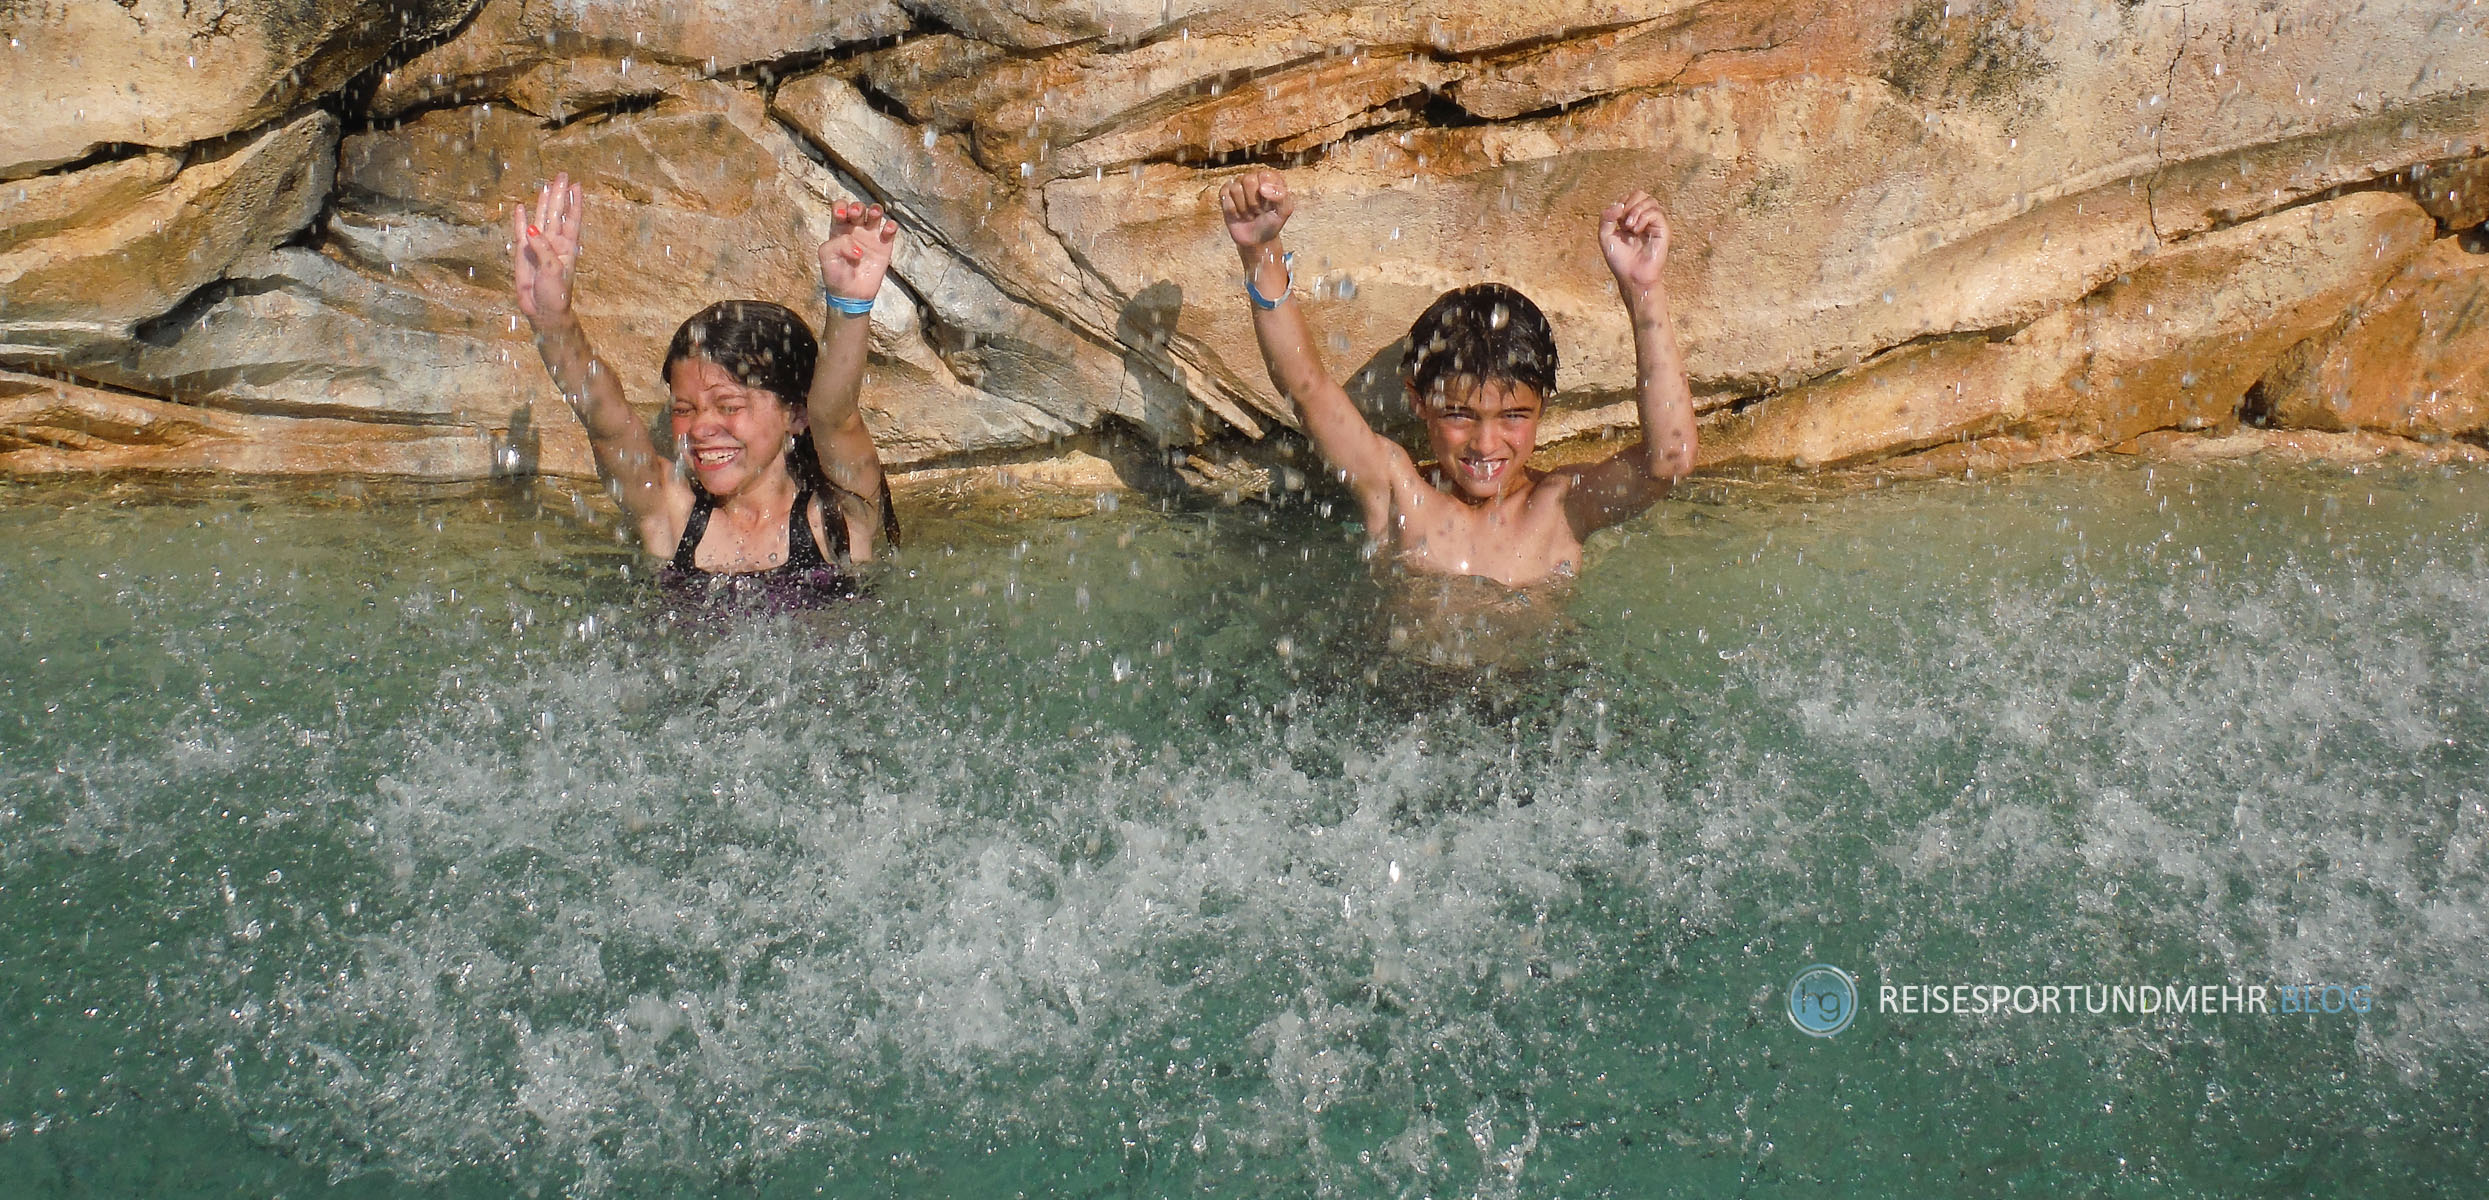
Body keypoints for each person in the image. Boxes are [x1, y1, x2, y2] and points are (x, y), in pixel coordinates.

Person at [1216, 168, 1697, 595]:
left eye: (1512, 416)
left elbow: (1670, 461)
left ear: (1542, 409)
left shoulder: (1560, 509)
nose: (1485, 444)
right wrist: (1262, 252)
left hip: (1538, 697)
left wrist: (1643, 289)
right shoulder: (1398, 491)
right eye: (1460, 415)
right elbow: (1306, 387)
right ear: (1419, 402)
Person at [510, 172, 900, 607]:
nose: (701, 427)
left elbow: (837, 415)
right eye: (684, 408)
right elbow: (607, 426)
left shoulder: (840, 516)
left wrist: (849, 305)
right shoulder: (670, 515)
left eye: (728, 405)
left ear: (796, 413)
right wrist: (552, 320)